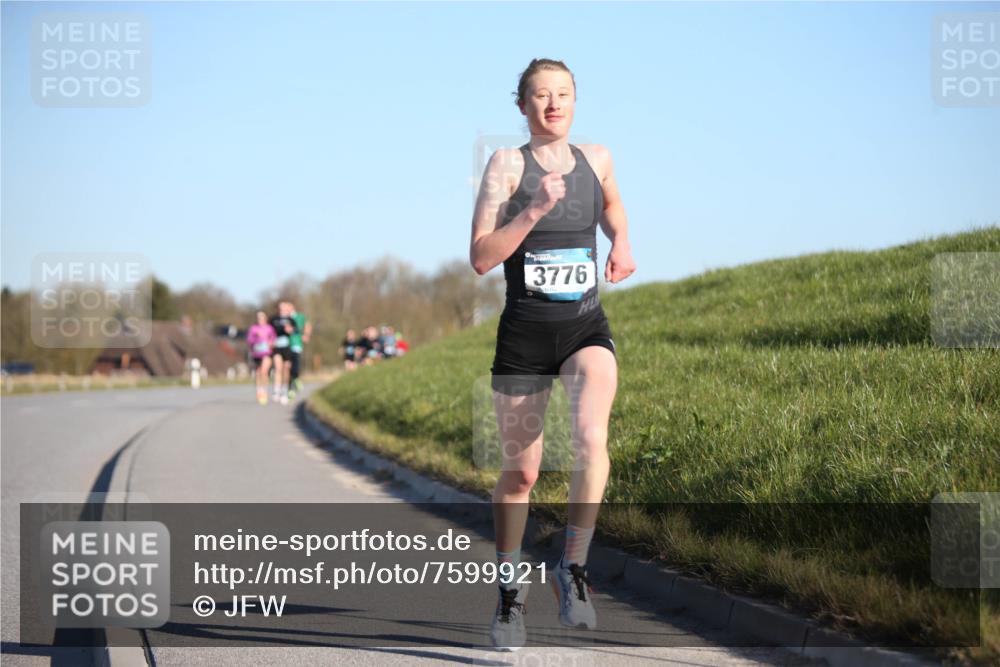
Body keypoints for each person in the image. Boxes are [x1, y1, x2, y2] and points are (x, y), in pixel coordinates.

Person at [469, 58, 636, 650]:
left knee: (592, 440)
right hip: (524, 335)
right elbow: (482, 256)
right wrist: (535, 209)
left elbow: (613, 208)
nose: (553, 104)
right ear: (522, 106)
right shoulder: (507, 165)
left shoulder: (599, 158)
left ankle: (574, 568)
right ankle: (511, 592)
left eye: (563, 94)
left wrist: (622, 243)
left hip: (585, 325)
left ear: (574, 100)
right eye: (540, 96)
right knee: (521, 473)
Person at [269, 301, 298, 405]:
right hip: (277, 346)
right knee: (278, 368)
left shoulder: (290, 320)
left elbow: (296, 331)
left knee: (286, 369)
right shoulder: (273, 319)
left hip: (287, 346)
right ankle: (276, 390)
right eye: (280, 308)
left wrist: (291, 330)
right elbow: (268, 331)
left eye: (284, 308)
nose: (282, 310)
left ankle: (284, 391)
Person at [246, 311, 276, 405]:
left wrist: (271, 343)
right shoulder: (253, 328)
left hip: (267, 352)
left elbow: (273, 338)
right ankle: (259, 391)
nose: (260, 319)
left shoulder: (269, 328)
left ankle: (264, 391)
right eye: (258, 318)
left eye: (262, 317)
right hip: (257, 353)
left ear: (265, 318)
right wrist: (256, 338)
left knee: (264, 371)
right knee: (258, 372)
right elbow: (249, 340)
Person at [288, 302, 312, 398]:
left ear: (293, 307)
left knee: (295, 365)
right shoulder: (283, 318)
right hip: (286, 345)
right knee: (287, 367)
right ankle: (290, 389)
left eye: (288, 307)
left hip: (296, 343)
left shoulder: (299, 316)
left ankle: (295, 381)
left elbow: (308, 324)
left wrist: (306, 334)